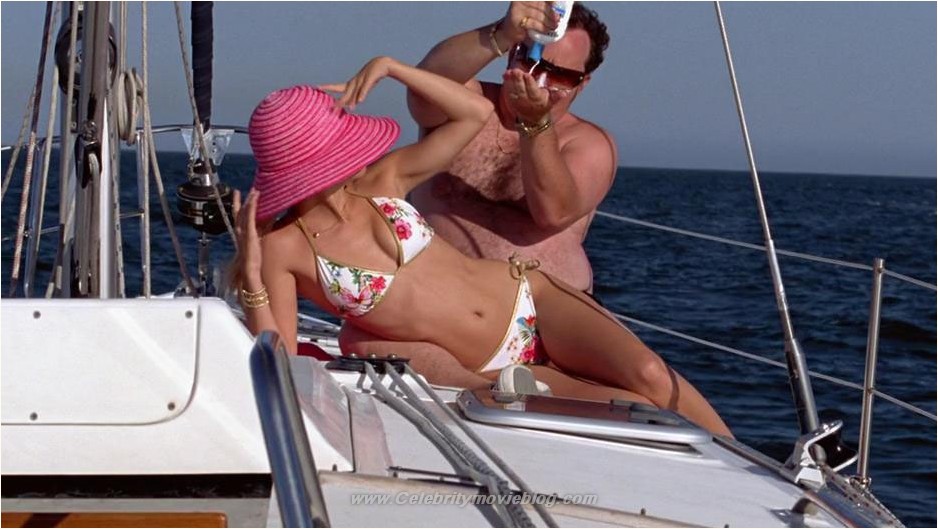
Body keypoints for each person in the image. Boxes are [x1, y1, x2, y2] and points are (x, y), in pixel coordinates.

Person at [232, 55, 732, 437]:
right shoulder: (280, 248)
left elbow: (471, 113)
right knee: (635, 406)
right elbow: (280, 359)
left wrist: (392, 67)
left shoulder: (380, 181)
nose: (352, 153)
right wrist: (251, 275)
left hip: (530, 297)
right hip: (494, 366)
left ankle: (751, 468)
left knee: (651, 374)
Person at [408, 1, 614, 294]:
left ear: (582, 83)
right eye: (530, 63)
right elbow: (425, 85)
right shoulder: (469, 103)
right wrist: (503, 33)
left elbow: (553, 213)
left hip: (537, 306)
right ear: (512, 56)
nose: (539, 82)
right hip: (434, 292)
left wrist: (534, 123)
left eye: (561, 76)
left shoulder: (588, 143)